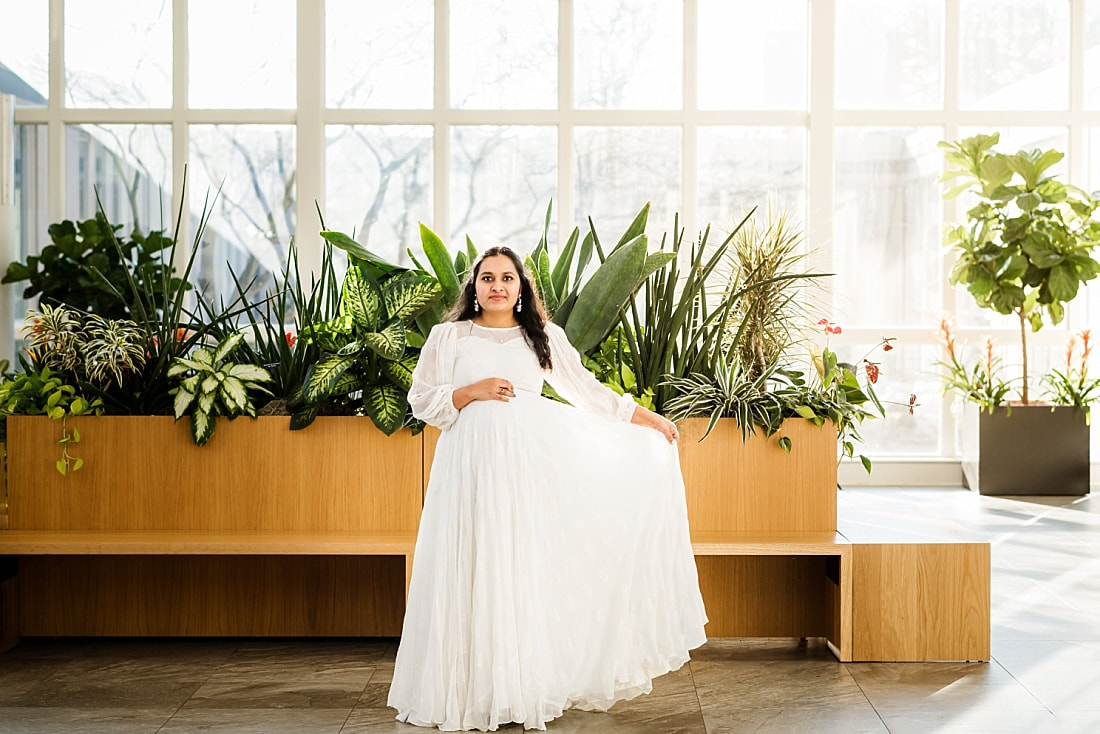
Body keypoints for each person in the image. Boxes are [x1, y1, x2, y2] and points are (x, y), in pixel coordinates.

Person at [387, 246, 708, 731]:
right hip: (466, 469)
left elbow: (588, 392)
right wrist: (472, 390)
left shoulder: (543, 338)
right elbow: (422, 401)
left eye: (508, 278)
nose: (497, 286)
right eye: (488, 277)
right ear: (473, 286)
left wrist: (648, 419)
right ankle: (462, 691)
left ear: (521, 288)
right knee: (469, 562)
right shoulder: (448, 336)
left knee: (515, 569)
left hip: (523, 472)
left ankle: (517, 689)